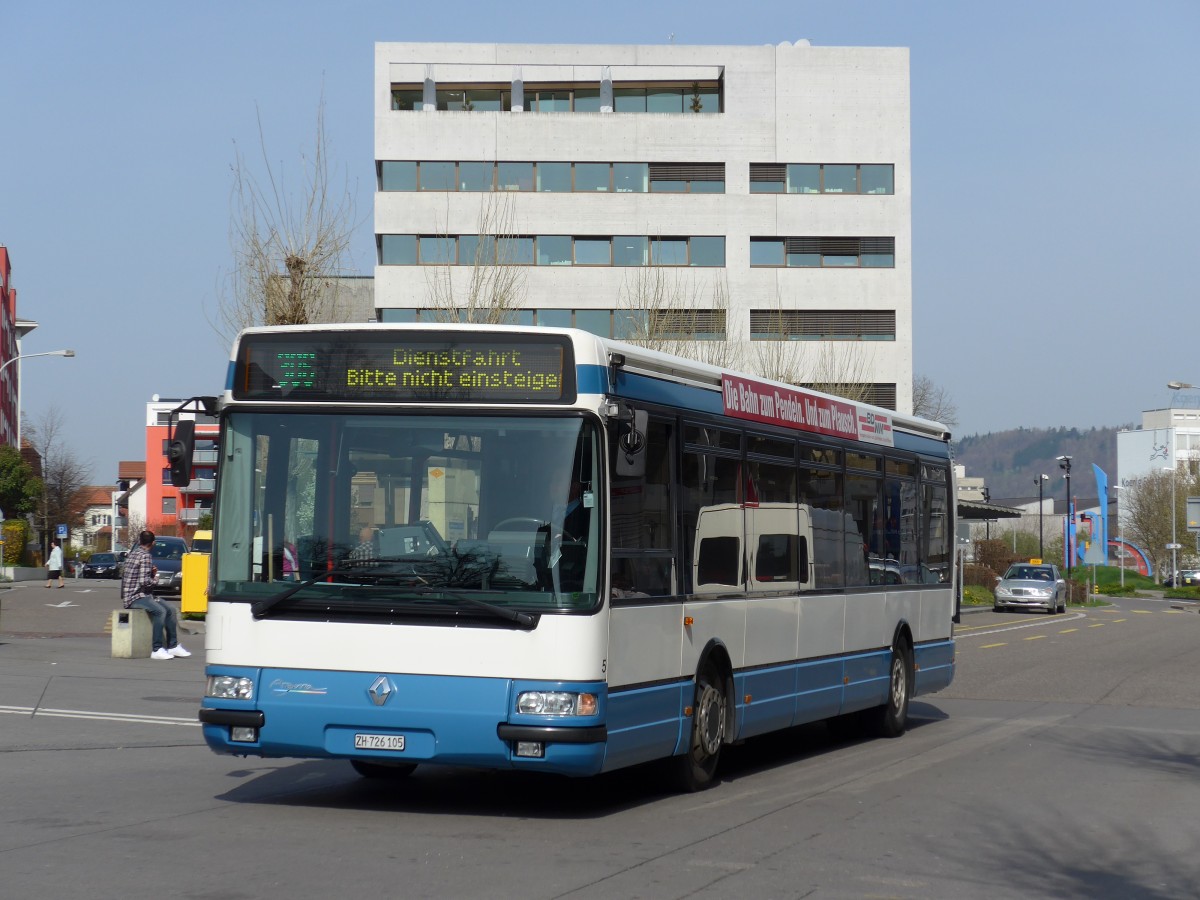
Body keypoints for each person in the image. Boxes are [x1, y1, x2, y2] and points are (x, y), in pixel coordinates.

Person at [120, 530, 190, 661]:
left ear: (140, 542)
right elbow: (144, 582)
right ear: (153, 543)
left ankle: (172, 646)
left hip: (135, 595)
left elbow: (138, 576)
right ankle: (157, 649)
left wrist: (151, 573)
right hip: (136, 597)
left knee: (171, 609)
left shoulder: (133, 554)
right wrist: (156, 578)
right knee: (160, 611)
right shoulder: (146, 556)